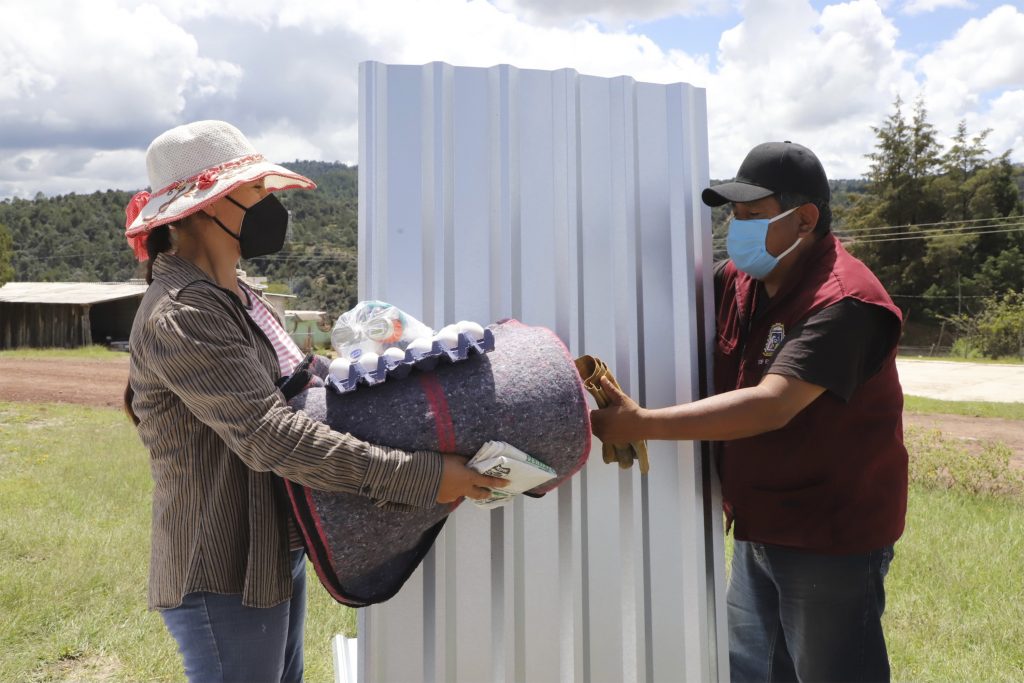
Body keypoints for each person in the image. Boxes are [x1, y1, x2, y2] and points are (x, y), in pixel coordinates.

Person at [122, 120, 507, 683]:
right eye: (256, 192)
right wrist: (421, 476)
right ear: (204, 207)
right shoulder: (186, 313)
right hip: (223, 563)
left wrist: (398, 369)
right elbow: (271, 434)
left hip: (270, 550)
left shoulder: (238, 296)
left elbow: (303, 381)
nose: (270, 204)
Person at [591, 141, 907, 682]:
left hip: (830, 534)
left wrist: (639, 424)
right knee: (754, 670)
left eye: (753, 216)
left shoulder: (846, 302)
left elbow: (773, 404)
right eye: (733, 215)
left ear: (805, 219)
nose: (737, 229)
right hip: (763, 522)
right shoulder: (743, 283)